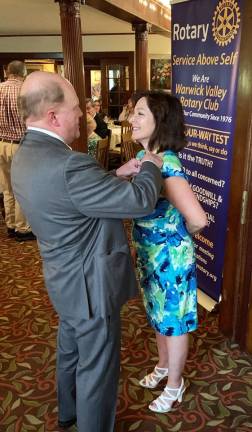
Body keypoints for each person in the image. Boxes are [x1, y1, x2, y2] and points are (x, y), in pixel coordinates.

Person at [11, 71, 163, 432]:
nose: (83, 114)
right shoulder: (69, 164)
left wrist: (118, 174)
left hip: (63, 278)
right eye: (76, 108)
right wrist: (150, 168)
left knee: (71, 350)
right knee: (97, 367)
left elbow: (74, 200)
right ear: (53, 116)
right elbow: (140, 201)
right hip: (90, 284)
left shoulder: (25, 154)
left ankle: (68, 414)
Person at [130, 91, 207, 414]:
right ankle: (163, 366)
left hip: (169, 260)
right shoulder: (145, 155)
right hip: (150, 256)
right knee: (159, 317)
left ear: (159, 121)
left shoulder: (167, 165)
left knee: (172, 323)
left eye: (139, 114)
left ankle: (175, 385)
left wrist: (173, 240)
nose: (130, 119)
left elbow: (198, 220)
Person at [0, 60, 35, 241]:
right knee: (23, 187)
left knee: (7, 188)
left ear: (7, 72)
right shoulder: (26, 91)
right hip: (21, 144)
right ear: (23, 73)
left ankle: (11, 224)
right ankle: (23, 228)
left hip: (1, 144)